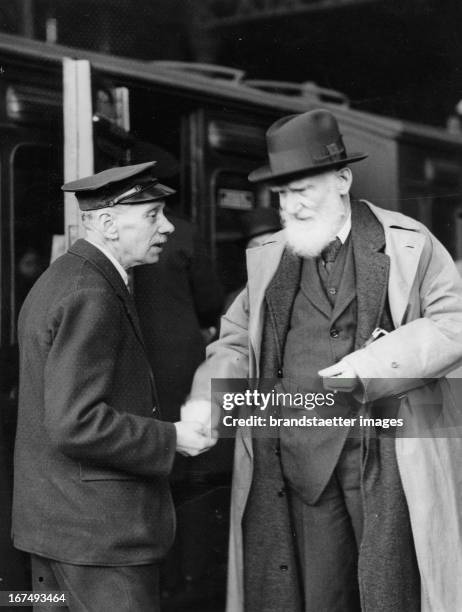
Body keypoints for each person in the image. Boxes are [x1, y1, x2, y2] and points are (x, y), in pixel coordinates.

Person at [183, 109, 462, 611]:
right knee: (319, 598)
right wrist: (208, 399)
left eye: (302, 190)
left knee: (391, 593)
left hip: (387, 461)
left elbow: (453, 322)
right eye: (283, 194)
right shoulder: (269, 256)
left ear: (342, 180)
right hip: (301, 462)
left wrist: (373, 362)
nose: (290, 206)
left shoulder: (410, 243)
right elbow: (233, 341)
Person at [12, 161, 215, 612]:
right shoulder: (93, 293)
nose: (166, 227)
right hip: (99, 539)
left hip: (59, 528)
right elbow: (75, 424)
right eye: (151, 215)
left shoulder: (64, 278)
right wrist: (173, 438)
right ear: (106, 223)